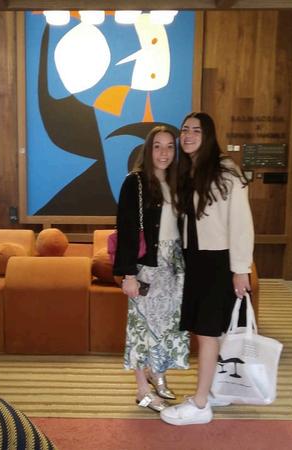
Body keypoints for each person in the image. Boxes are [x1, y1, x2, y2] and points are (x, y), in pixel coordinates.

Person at [160, 112, 254, 426]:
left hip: (218, 261)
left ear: (208, 135)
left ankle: (200, 404)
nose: (187, 135)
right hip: (195, 259)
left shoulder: (225, 171)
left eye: (196, 131)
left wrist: (240, 268)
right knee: (209, 330)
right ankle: (215, 391)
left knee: (208, 332)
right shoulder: (189, 170)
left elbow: (241, 224)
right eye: (184, 129)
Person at [113, 125, 190, 413]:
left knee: (167, 325)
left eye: (170, 146)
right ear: (148, 150)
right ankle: (142, 390)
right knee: (141, 326)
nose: (164, 153)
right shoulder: (135, 182)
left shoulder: (178, 181)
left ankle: (157, 374)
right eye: (157, 146)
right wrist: (128, 274)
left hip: (174, 265)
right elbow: (127, 229)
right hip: (147, 265)